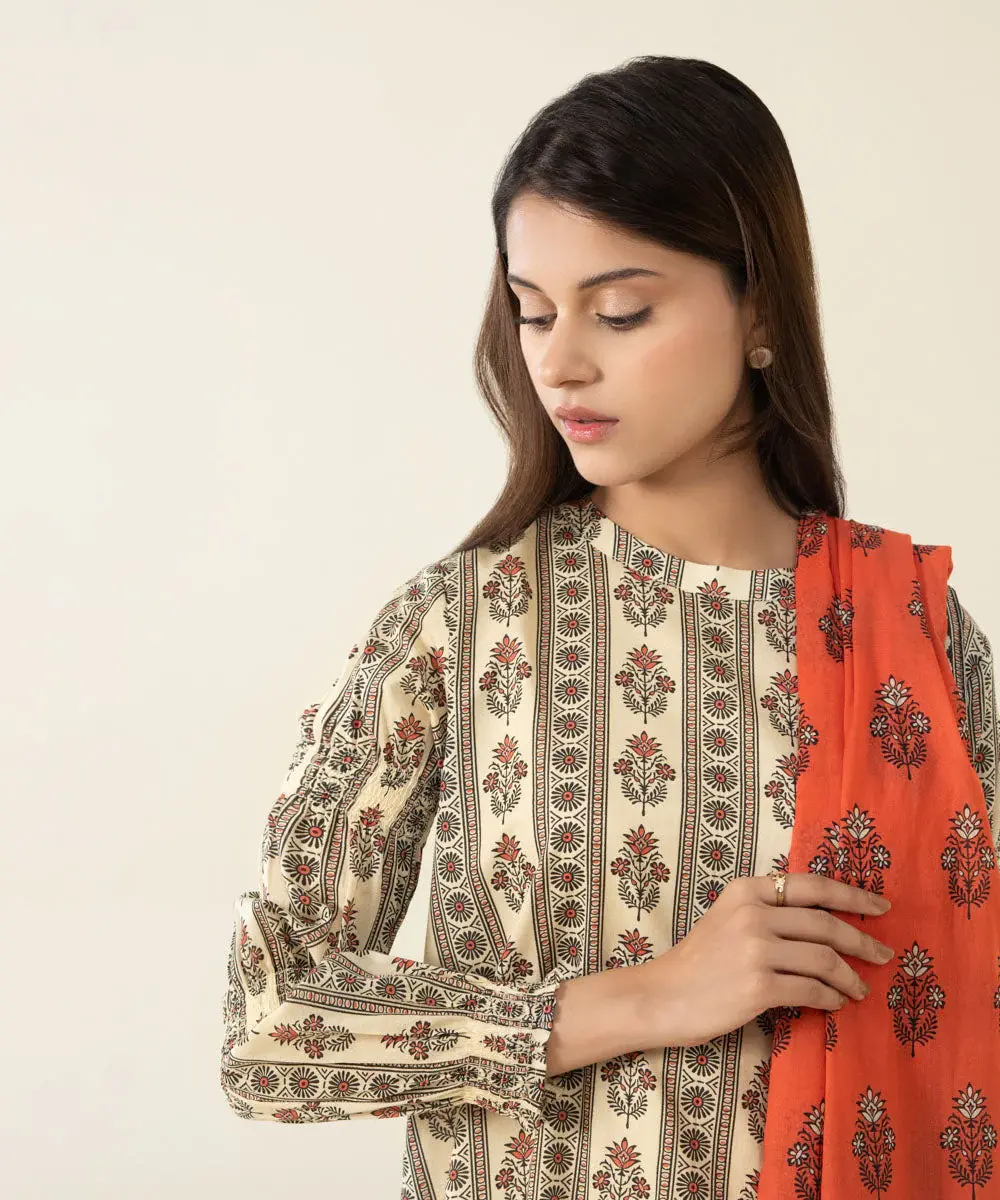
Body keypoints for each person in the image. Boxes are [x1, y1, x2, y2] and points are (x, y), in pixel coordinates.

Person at [218, 55, 1000, 1199]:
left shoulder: (909, 631)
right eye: (532, 312)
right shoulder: (464, 624)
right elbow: (269, 1026)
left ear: (760, 308)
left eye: (620, 311)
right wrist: (643, 999)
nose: (560, 361)